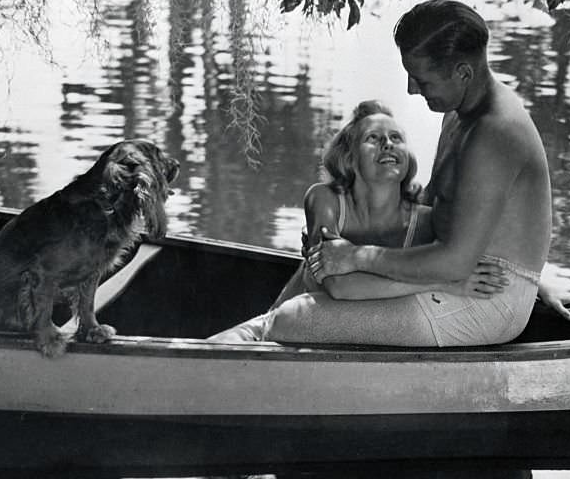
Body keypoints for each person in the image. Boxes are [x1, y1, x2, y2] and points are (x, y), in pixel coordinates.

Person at [294, 0, 557, 345]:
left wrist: (357, 255)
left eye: (422, 80)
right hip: (455, 274)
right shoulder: (459, 114)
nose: (411, 89)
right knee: (318, 281)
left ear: (463, 73)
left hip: (484, 300)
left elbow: (453, 263)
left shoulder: (495, 133)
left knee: (293, 320)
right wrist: (343, 220)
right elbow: (436, 208)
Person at [208, 100, 507, 343]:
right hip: (277, 335)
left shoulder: (425, 219)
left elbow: (482, 251)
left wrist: (538, 287)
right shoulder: (324, 200)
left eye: (396, 138)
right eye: (373, 139)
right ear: (350, 157)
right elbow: (340, 286)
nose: (387, 145)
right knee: (212, 352)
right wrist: (441, 283)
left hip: (360, 338)